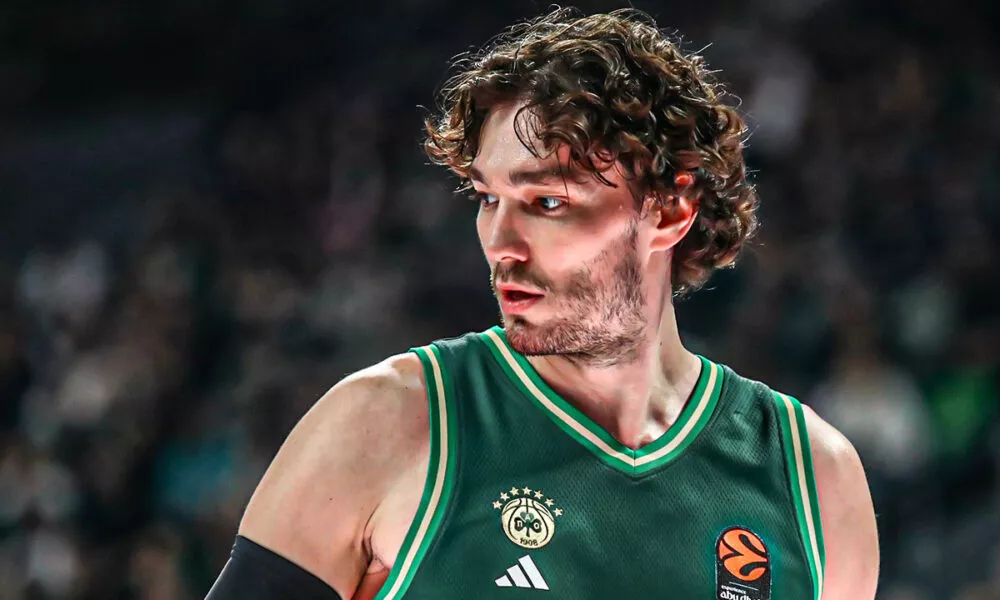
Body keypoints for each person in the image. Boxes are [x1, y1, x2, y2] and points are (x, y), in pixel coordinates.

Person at [206, 8, 879, 600]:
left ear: (671, 211)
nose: (500, 243)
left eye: (547, 202)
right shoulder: (385, 423)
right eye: (487, 198)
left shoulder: (815, 481)